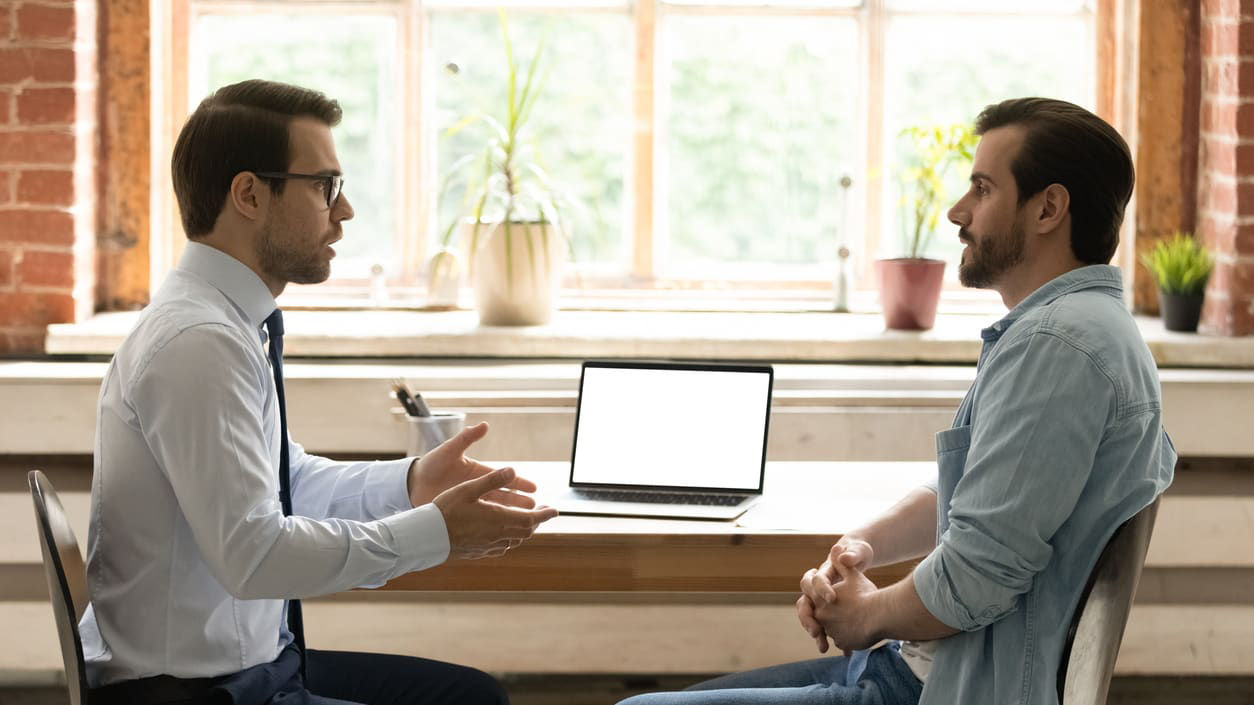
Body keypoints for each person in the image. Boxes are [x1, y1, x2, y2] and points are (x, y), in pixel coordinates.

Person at [618, 97, 1175, 705]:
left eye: (983, 190)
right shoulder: (1071, 329)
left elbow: (977, 573)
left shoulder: (1058, 345)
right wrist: (863, 542)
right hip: (913, 668)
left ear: (1048, 208)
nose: (958, 212)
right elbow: (973, 495)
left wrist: (865, 617)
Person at [80, 79, 558, 705]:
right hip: (198, 693)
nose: (345, 210)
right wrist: (434, 533)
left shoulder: (220, 320)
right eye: (325, 185)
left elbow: (282, 481)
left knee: (467, 694)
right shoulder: (198, 342)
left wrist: (410, 484)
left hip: (248, 667)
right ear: (249, 194)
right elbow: (254, 557)